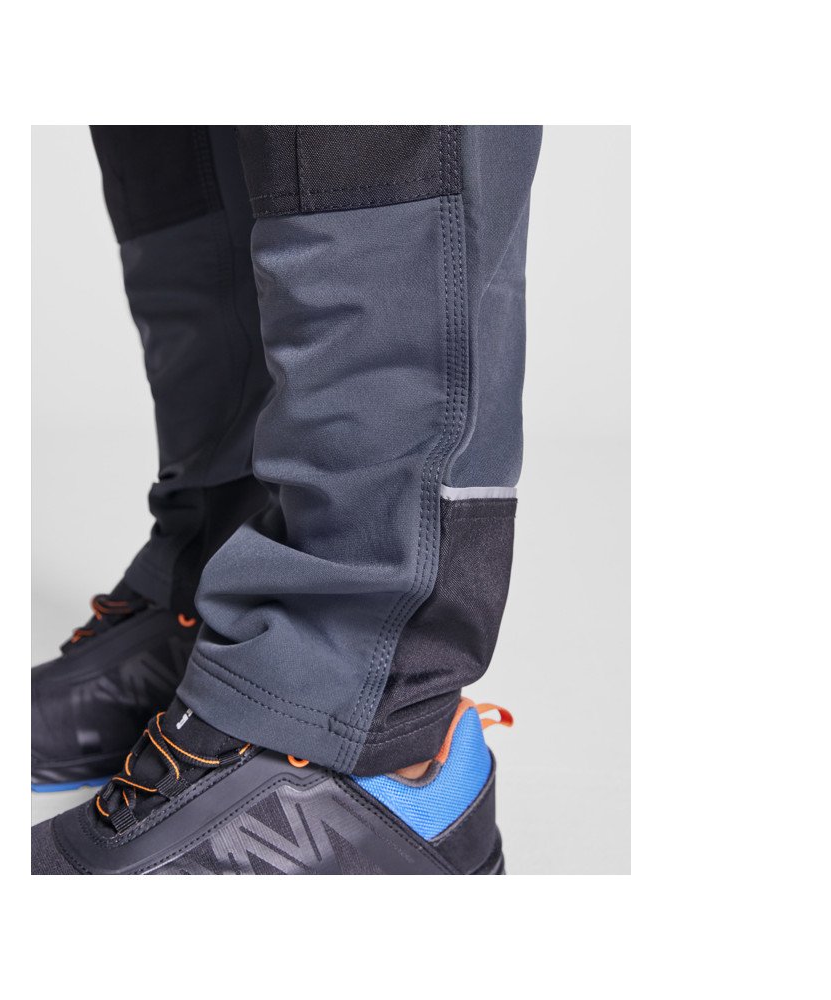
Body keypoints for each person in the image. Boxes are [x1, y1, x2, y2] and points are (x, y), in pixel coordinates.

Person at [32, 125, 542, 874]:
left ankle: (363, 733)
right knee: (190, 141)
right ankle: (220, 607)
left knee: (359, 131)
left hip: (361, 719)